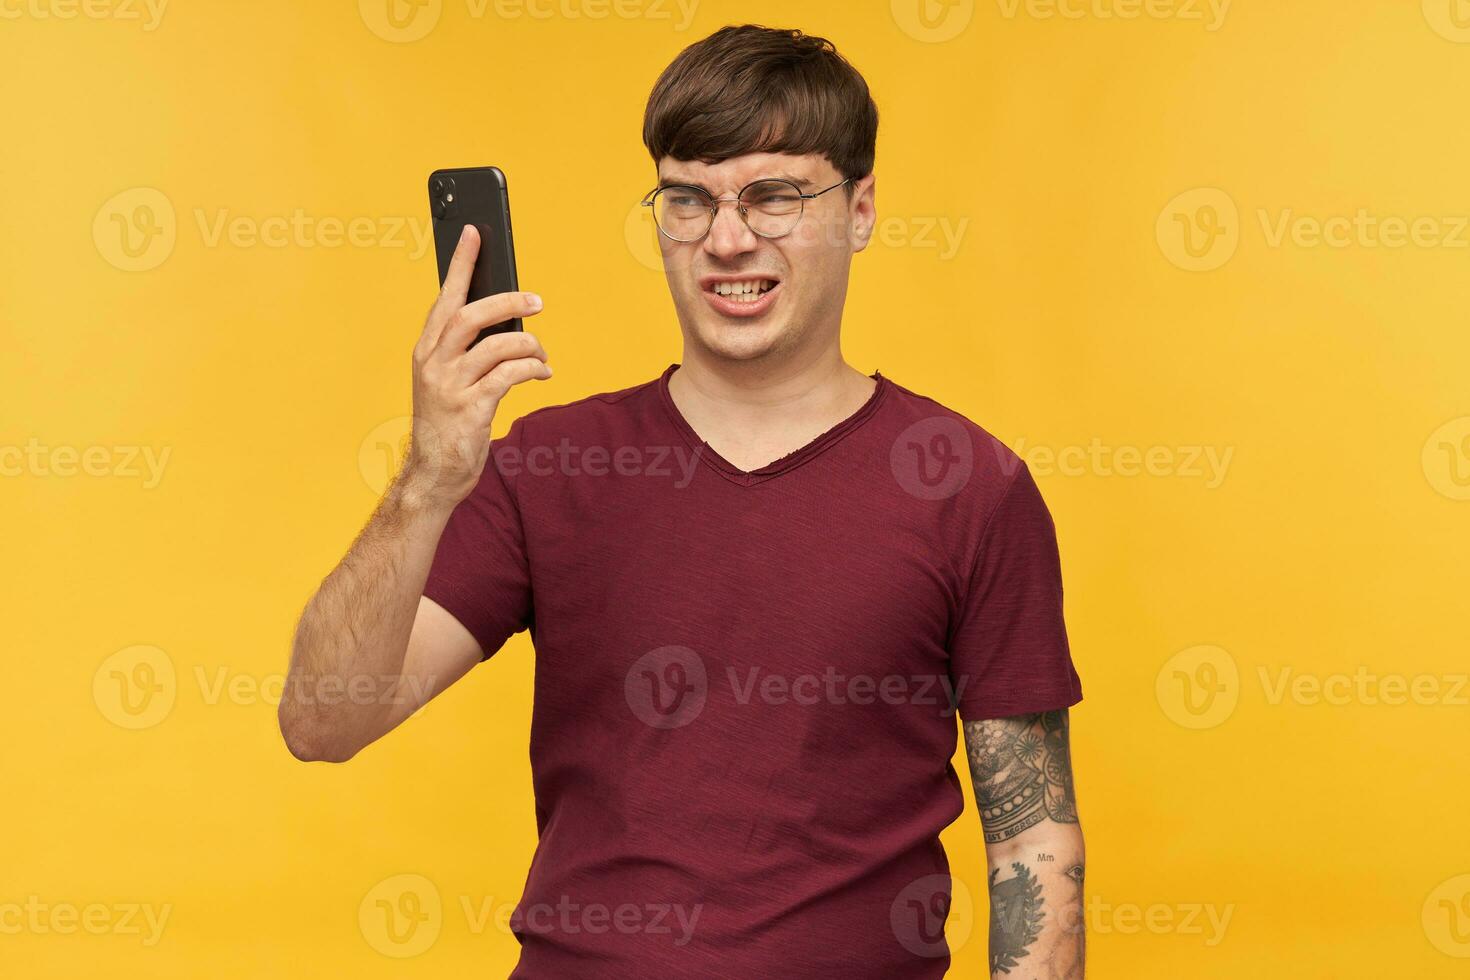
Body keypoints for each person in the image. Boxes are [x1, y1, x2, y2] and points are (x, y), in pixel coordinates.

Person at [280, 23, 1085, 979]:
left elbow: (1034, 845)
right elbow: (321, 722)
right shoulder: (550, 464)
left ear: (861, 209)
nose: (726, 237)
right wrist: (428, 479)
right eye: (688, 198)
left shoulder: (967, 483)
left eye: (774, 196)